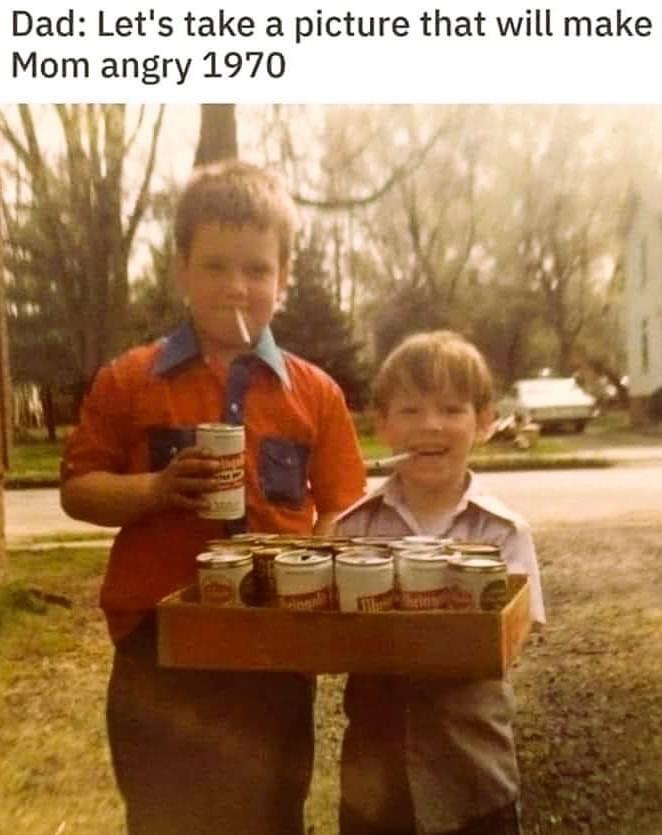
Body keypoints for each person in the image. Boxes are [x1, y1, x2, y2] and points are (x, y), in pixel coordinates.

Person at [60, 160, 366, 835]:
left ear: (284, 277)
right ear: (182, 270)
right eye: (215, 266)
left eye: (257, 269)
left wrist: (314, 572)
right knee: (164, 813)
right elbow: (78, 491)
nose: (237, 285)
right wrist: (156, 489)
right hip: (158, 647)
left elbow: (341, 505)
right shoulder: (130, 379)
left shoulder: (316, 393)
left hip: (274, 646)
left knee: (271, 812)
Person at [333, 330, 545, 835]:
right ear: (382, 424)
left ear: (484, 422)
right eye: (410, 410)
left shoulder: (504, 532)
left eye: (452, 409)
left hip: (475, 780)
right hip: (374, 790)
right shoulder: (353, 528)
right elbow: (329, 636)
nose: (431, 425)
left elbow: (513, 638)